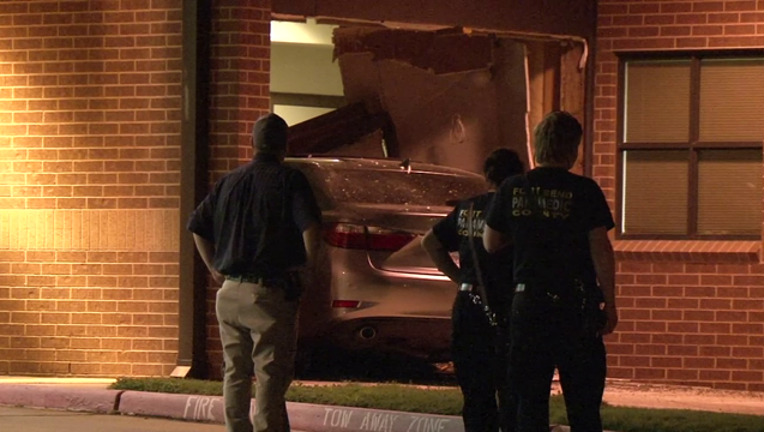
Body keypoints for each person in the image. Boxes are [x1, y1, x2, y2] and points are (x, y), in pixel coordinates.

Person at [483, 111, 618, 432]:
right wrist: (610, 303)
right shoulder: (585, 190)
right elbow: (601, 248)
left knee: (528, 400)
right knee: (583, 402)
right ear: (572, 148)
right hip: (576, 305)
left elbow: (490, 243)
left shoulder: (513, 188)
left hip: (528, 305)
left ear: (538, 144)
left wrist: (530, 230)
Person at [187, 113, 322, 432]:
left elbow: (197, 227)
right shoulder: (290, 180)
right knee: (270, 376)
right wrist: (307, 270)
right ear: (285, 144)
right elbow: (310, 228)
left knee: (234, 372)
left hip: (230, 292)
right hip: (269, 293)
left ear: (252, 143)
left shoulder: (228, 181)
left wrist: (215, 270)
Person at [421, 148, 524, 432]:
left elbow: (430, 242)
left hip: (469, 303)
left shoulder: (467, 209)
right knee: (511, 389)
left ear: (486, 176)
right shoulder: (516, 210)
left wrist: (459, 278)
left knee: (476, 393)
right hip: (507, 302)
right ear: (519, 175)